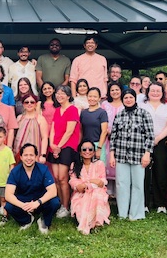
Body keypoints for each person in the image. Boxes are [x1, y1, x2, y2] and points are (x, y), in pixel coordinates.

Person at [109, 88, 154, 221]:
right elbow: (113, 137)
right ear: (122, 100)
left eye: (130, 97)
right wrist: (112, 154)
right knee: (121, 184)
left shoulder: (144, 114)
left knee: (138, 185)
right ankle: (122, 213)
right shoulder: (119, 115)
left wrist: (147, 154)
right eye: (125, 98)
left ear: (135, 99)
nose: (128, 100)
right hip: (121, 155)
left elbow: (150, 136)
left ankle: (136, 214)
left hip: (138, 155)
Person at [4, 143, 61, 234]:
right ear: (21, 157)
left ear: (36, 156)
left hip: (40, 201)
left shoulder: (43, 169)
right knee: (9, 206)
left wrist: (37, 203)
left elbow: (53, 191)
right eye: (25, 155)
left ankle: (44, 220)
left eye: (31, 155)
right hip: (23, 201)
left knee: (55, 202)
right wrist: (23, 205)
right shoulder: (15, 171)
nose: (28, 158)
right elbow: (8, 194)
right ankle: (26, 220)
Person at [139, 82, 167, 213]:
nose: (155, 93)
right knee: (144, 172)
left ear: (162, 92)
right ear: (148, 92)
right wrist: (149, 139)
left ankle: (161, 203)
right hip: (143, 141)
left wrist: (158, 138)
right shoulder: (141, 106)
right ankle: (145, 203)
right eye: (152, 90)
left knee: (161, 172)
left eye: (158, 91)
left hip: (162, 141)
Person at [49, 85, 80, 218]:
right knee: (56, 178)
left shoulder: (72, 109)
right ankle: (60, 204)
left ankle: (66, 206)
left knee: (63, 178)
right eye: (58, 93)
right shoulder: (57, 110)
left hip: (67, 147)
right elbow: (53, 129)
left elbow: (69, 131)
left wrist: (59, 147)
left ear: (68, 96)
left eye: (62, 93)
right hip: (55, 145)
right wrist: (52, 144)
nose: (59, 95)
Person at [69, 139, 110, 235]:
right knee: (84, 200)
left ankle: (97, 222)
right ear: (80, 151)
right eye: (84, 149)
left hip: (97, 192)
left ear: (94, 152)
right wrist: (90, 183)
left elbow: (102, 181)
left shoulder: (99, 164)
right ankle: (87, 222)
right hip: (81, 194)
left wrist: (87, 184)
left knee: (96, 194)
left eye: (90, 149)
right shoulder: (74, 165)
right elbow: (73, 181)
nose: (87, 151)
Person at [14, 93, 49, 164]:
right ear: (23, 104)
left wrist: (43, 155)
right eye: (26, 102)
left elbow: (45, 138)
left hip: (35, 154)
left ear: (36, 104)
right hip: (19, 153)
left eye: (32, 102)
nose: (29, 104)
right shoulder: (19, 118)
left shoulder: (40, 119)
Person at [102, 82, 125, 185]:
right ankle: (108, 190)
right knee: (107, 162)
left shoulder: (125, 103)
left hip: (122, 138)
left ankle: (119, 190)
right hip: (107, 137)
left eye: (117, 90)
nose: (115, 92)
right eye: (112, 90)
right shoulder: (105, 104)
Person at [80, 88, 108, 164]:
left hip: (97, 144)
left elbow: (104, 131)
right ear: (87, 97)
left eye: (95, 97)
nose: (92, 99)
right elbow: (81, 130)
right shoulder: (83, 113)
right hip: (85, 146)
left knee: (99, 170)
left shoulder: (102, 112)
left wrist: (99, 148)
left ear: (99, 98)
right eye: (90, 96)